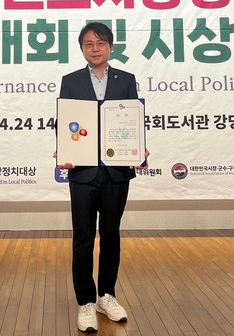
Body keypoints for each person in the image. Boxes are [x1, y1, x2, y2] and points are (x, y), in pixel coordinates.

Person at [56, 22, 145, 333]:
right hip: (83, 172)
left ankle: (107, 296)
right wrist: (64, 148)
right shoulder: (71, 81)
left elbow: (132, 120)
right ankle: (85, 302)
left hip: (116, 171)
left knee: (111, 235)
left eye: (101, 43)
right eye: (89, 44)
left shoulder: (126, 79)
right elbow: (65, 122)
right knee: (83, 238)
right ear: (82, 49)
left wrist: (139, 149)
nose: (95, 48)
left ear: (111, 47)